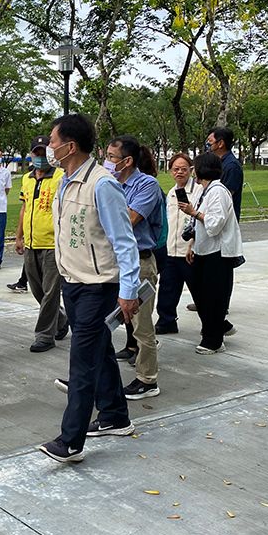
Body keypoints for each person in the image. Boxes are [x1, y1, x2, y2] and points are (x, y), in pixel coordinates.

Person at [37, 114, 140, 463]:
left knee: (82, 364)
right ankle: (114, 414)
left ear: (71, 145)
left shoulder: (102, 184)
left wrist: (128, 290)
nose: (49, 148)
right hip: (74, 281)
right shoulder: (64, 181)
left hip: (99, 286)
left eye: (52, 142)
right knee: (99, 352)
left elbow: (124, 242)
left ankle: (71, 441)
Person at [105, 136, 165, 400]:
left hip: (140, 262)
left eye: (111, 157)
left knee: (142, 324)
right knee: (106, 320)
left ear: (127, 161)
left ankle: (147, 379)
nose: (107, 162)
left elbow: (128, 220)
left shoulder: (146, 185)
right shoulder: (109, 183)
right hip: (114, 261)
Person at [178, 152, 243, 355]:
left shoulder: (218, 191)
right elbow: (199, 225)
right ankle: (218, 328)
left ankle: (214, 340)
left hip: (219, 252)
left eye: (194, 167)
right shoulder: (203, 191)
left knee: (215, 296)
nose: (191, 171)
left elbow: (215, 224)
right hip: (203, 249)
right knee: (202, 293)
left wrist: (193, 212)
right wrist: (192, 244)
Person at [14, 135, 68, 352]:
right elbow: (25, 208)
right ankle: (62, 320)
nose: (39, 157)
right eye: (35, 152)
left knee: (50, 292)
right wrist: (19, 236)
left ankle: (45, 335)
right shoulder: (27, 179)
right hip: (31, 243)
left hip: (52, 243)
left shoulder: (60, 177)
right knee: (37, 290)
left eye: (43, 152)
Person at [155, 154, 203, 334]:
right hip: (171, 250)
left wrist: (194, 243)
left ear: (191, 170)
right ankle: (166, 321)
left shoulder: (198, 191)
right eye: (176, 169)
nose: (180, 172)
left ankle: (215, 324)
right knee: (167, 289)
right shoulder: (171, 193)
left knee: (199, 291)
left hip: (189, 251)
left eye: (184, 169)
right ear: (170, 172)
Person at [206, 127, 244, 220]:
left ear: (220, 144)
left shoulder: (232, 166)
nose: (207, 144)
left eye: (210, 141)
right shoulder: (217, 163)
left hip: (225, 220)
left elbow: (225, 196)